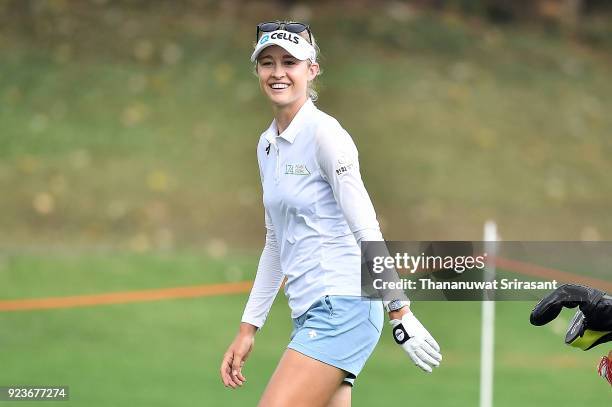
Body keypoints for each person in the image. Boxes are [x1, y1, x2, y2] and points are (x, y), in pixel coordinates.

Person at [220, 21, 442, 406]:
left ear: (312, 70)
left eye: (289, 62)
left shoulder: (326, 136)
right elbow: (275, 242)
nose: (277, 73)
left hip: (344, 306)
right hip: (309, 312)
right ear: (257, 70)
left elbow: (365, 226)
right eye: (267, 63)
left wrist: (399, 310)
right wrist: (247, 328)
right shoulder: (267, 145)